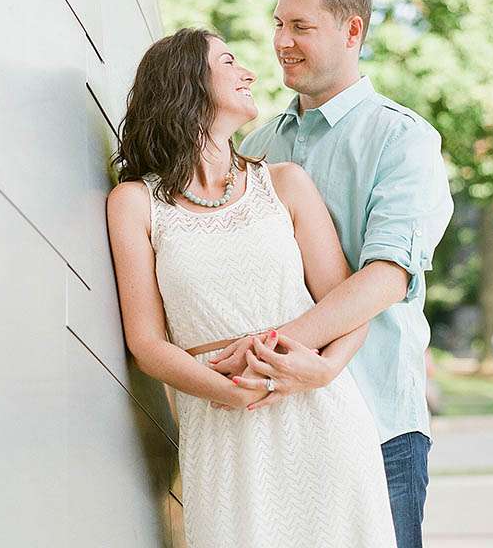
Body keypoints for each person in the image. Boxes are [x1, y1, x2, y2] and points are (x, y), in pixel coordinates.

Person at [107, 28, 396, 547]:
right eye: (228, 61)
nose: (249, 73)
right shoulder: (134, 204)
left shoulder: (285, 183)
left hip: (320, 416)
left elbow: (347, 304)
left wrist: (323, 368)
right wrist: (228, 391)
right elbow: (146, 343)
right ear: (186, 84)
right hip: (221, 427)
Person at [231, 0, 454, 548]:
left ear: (352, 32)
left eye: (301, 27)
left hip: (377, 420)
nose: (281, 42)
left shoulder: (404, 139)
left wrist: (272, 350)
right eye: (279, 24)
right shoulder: (255, 146)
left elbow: (385, 278)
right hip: (277, 421)